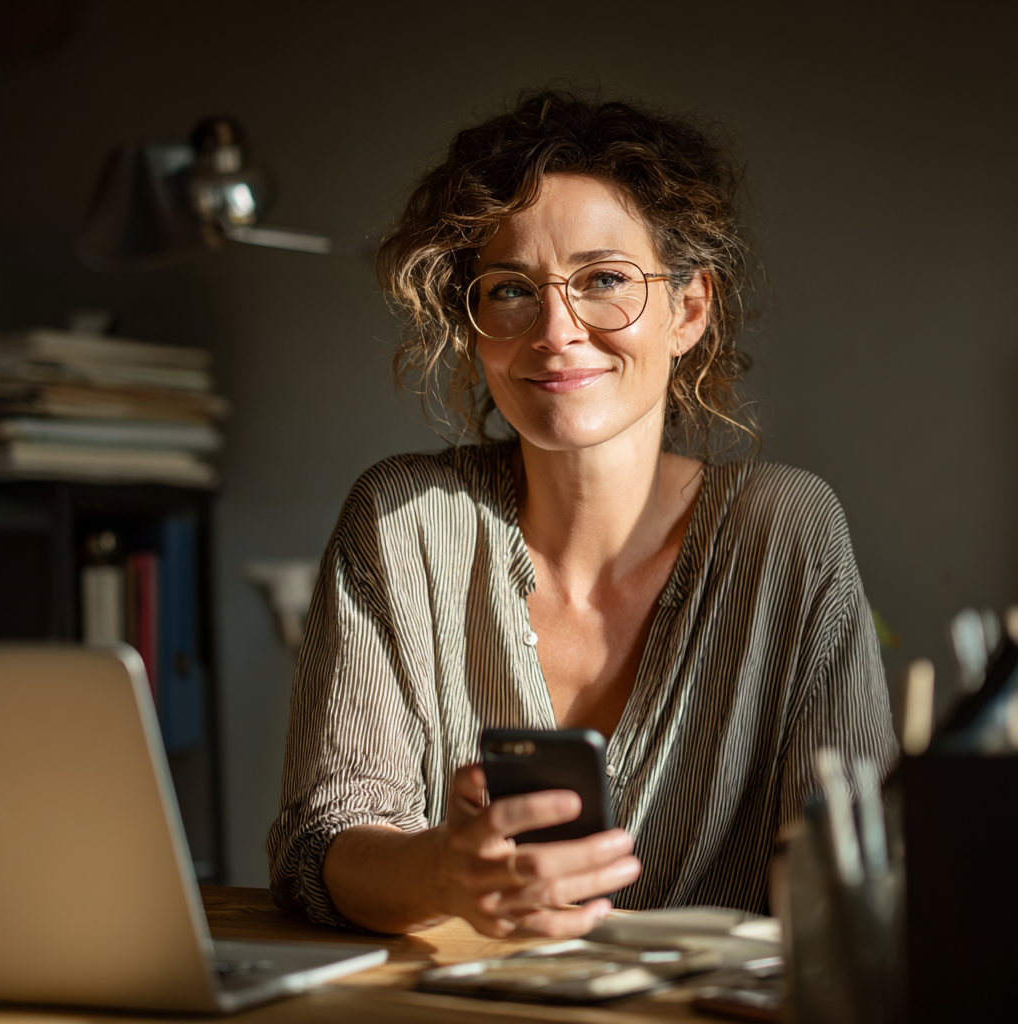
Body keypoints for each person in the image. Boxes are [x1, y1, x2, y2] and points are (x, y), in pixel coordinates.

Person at [267, 90, 897, 939]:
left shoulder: (786, 531)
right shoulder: (402, 522)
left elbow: (859, 874)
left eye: (604, 280)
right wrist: (440, 872)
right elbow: (321, 843)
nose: (555, 330)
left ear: (689, 309)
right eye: (512, 289)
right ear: (475, 321)